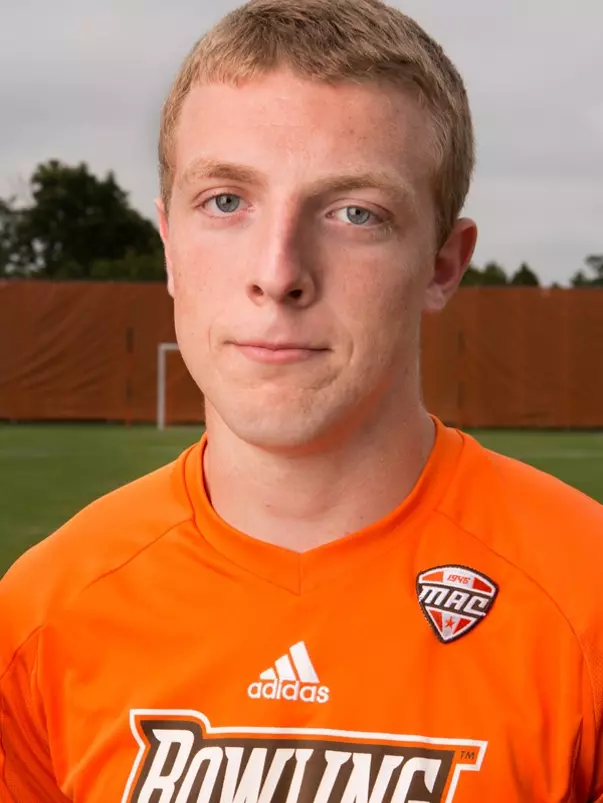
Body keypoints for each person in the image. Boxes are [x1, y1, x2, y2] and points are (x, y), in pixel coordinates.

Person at [1, 0, 602, 800]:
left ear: (441, 265)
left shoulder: (585, 599)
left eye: (356, 212)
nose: (278, 271)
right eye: (225, 201)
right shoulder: (40, 616)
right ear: (170, 245)